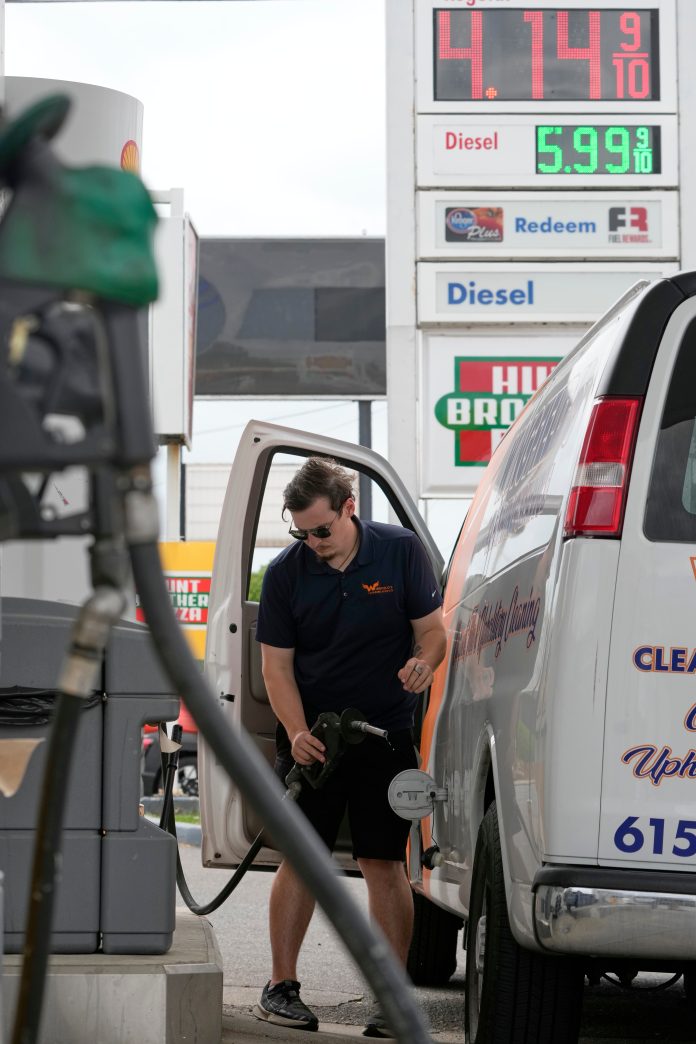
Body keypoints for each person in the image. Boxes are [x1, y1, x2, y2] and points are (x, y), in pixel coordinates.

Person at [252, 456, 446, 1037]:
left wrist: (423, 662)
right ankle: (280, 987)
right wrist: (296, 733)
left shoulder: (400, 551)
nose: (313, 542)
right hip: (315, 738)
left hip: (384, 733)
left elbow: (433, 632)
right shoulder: (286, 573)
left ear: (349, 508)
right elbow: (276, 668)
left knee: (383, 861)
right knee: (303, 857)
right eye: (301, 533)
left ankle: (391, 997)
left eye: (321, 529)